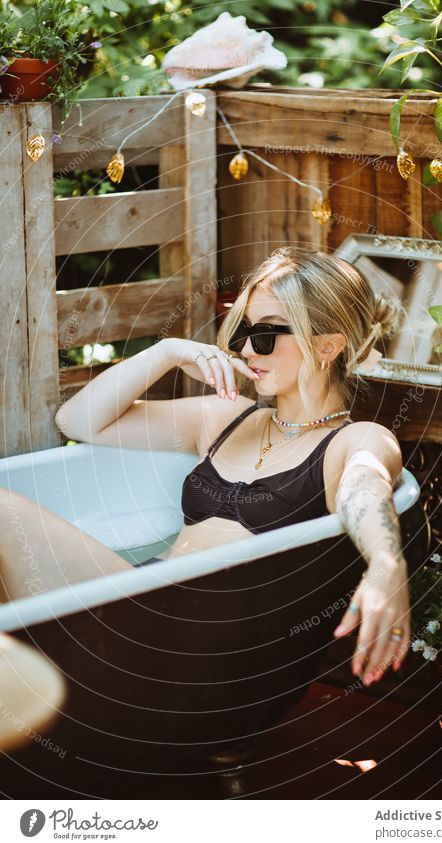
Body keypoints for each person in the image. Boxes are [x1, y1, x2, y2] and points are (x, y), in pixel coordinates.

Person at [0, 247, 409, 688]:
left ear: (326, 346)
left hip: (193, 642)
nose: (248, 349)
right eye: (244, 333)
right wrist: (167, 353)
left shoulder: (355, 439)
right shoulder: (222, 418)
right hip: (138, 603)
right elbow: (78, 421)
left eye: (267, 335)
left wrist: (387, 563)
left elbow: (365, 490)